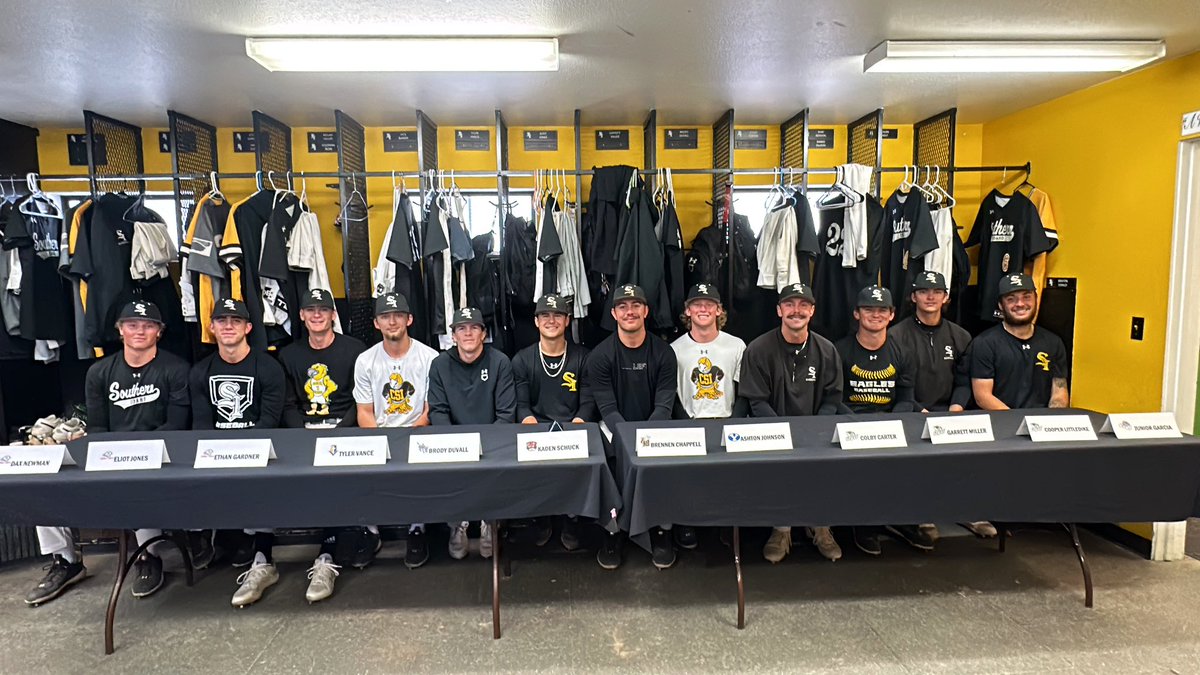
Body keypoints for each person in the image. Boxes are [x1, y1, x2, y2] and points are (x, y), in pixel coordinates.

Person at [26, 301, 189, 606]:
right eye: (132, 325)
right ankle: (66, 560)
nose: (139, 331)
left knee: (138, 477)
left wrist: (136, 455)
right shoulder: (100, 371)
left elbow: (176, 426)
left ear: (159, 332)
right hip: (110, 453)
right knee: (40, 482)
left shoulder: (176, 369)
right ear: (119, 329)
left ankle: (147, 556)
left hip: (159, 457)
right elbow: (99, 428)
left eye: (148, 325)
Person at [188, 298, 286, 607]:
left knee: (262, 478)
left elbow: (269, 422)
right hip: (217, 451)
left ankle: (262, 553)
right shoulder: (201, 371)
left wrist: (241, 456)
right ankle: (218, 538)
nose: (228, 326)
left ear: (248, 327)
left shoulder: (269, 367)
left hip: (259, 450)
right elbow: (202, 425)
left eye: (235, 320)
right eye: (221, 320)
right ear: (212, 327)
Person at [738, 282, 844, 563]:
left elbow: (833, 399)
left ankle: (820, 526)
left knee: (824, 463)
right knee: (781, 467)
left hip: (816, 431)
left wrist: (812, 433)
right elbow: (756, 401)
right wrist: (786, 435)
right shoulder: (758, 349)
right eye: (789, 304)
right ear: (778, 309)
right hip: (773, 432)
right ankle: (781, 528)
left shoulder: (827, 350)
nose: (796, 311)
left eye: (803, 305)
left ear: (812, 310)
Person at [279, 288, 371, 602]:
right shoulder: (290, 355)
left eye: (323, 309)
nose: (317, 314)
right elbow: (288, 404)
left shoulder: (355, 350)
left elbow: (361, 400)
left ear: (333, 315)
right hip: (305, 431)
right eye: (310, 309)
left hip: (346, 430)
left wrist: (338, 433)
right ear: (302, 316)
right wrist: (304, 435)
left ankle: (339, 545)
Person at [888, 271, 996, 539]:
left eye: (936, 291)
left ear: (946, 297)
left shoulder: (960, 336)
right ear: (913, 297)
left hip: (950, 412)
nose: (930, 296)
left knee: (966, 459)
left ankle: (966, 510)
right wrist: (918, 410)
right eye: (924, 291)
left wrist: (956, 408)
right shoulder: (896, 335)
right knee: (918, 461)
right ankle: (922, 514)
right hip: (911, 412)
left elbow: (963, 380)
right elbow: (895, 385)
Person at [585, 284, 677, 570]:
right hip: (616, 429)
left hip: (654, 428)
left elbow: (664, 406)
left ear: (646, 311)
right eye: (623, 307)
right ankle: (612, 531)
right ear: (613, 313)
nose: (630, 311)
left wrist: (646, 441)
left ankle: (662, 531)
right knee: (607, 461)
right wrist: (629, 443)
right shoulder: (600, 356)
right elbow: (607, 409)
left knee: (662, 463)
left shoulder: (663, 353)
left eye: (636, 305)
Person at [834, 286, 922, 556]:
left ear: (892, 314)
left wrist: (892, 426)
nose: (875, 314)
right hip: (851, 424)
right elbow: (833, 399)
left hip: (890, 423)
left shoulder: (902, 351)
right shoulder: (839, 350)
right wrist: (860, 428)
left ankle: (899, 519)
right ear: (856, 314)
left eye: (882, 309)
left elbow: (907, 397)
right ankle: (864, 524)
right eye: (868, 309)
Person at [354, 292, 438, 569]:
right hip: (380, 433)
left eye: (398, 315)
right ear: (376, 323)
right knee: (362, 469)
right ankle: (371, 531)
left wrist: (413, 435)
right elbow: (365, 412)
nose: (392, 322)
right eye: (385, 317)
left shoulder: (429, 357)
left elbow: (429, 409)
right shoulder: (365, 361)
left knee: (419, 468)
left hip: (418, 432)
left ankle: (417, 529)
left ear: (409, 319)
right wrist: (380, 442)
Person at [427, 306, 517, 561]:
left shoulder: (499, 361)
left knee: (496, 468)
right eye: (461, 329)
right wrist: (457, 447)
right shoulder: (439, 365)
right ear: (453, 335)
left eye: (473, 328)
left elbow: (506, 413)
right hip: (454, 444)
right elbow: (438, 412)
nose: (468, 333)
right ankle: (458, 524)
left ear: (483, 334)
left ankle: (491, 522)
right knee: (450, 470)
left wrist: (484, 448)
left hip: (493, 442)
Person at [666, 282, 746, 564]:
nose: (703, 308)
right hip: (691, 421)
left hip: (725, 420)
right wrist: (685, 425)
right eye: (697, 304)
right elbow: (672, 395)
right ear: (687, 310)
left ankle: (728, 525)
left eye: (709, 304)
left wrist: (734, 425)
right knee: (690, 478)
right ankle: (686, 523)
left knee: (726, 480)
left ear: (719, 310)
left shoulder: (736, 345)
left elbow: (743, 390)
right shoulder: (675, 349)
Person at [512, 293, 596, 550]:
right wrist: (535, 430)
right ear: (536, 321)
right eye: (545, 315)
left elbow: (588, 402)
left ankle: (572, 517)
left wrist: (577, 426)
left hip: (574, 427)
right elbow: (522, 406)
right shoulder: (522, 359)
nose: (551, 320)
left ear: (567, 320)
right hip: (536, 429)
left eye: (557, 315)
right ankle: (542, 515)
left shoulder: (583, 357)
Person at [969, 273, 1070, 411]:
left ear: (1036, 299)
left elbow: (1059, 391)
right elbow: (983, 396)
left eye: (1026, 297)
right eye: (1011, 299)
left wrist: (1051, 422)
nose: (1020, 304)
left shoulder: (1054, 342)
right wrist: (1018, 422)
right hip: (1002, 423)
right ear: (1000, 305)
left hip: (1041, 425)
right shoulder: (984, 343)